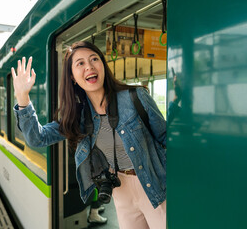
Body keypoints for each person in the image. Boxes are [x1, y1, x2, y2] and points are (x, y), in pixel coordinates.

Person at [12, 41, 166, 229]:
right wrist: (22, 98)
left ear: (102, 65)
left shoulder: (135, 96)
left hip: (155, 184)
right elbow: (38, 138)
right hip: (120, 189)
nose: (89, 66)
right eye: (80, 63)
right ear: (73, 77)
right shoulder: (79, 116)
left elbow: (166, 138)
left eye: (94, 59)